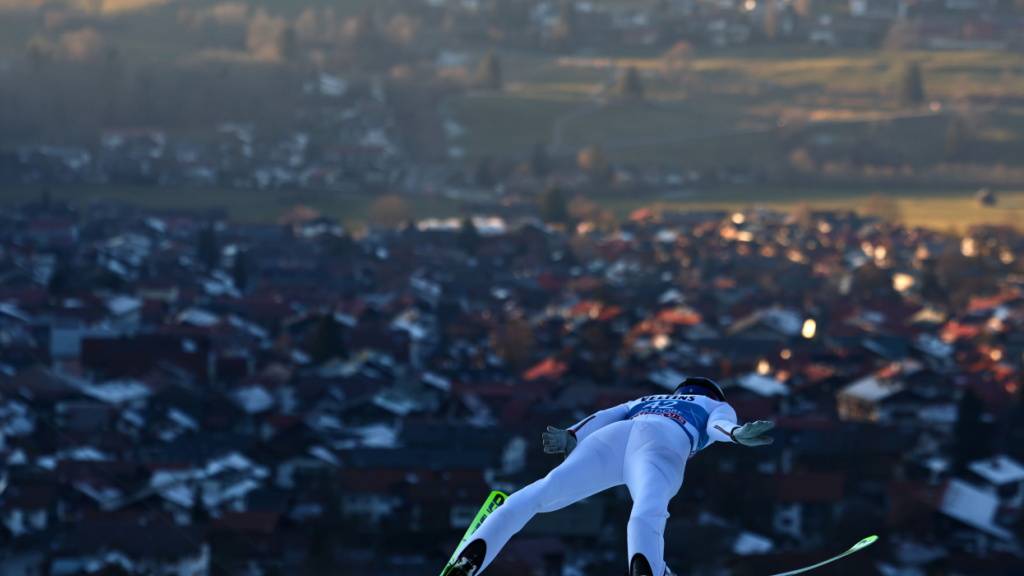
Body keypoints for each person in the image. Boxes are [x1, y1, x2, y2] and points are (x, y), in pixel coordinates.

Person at [442, 377, 775, 576]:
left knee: (542, 493)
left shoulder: (648, 398)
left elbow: (603, 416)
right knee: (647, 509)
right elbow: (718, 426)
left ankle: (470, 559)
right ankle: (648, 570)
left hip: (613, 437)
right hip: (664, 442)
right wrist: (735, 433)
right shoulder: (709, 403)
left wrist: (571, 435)